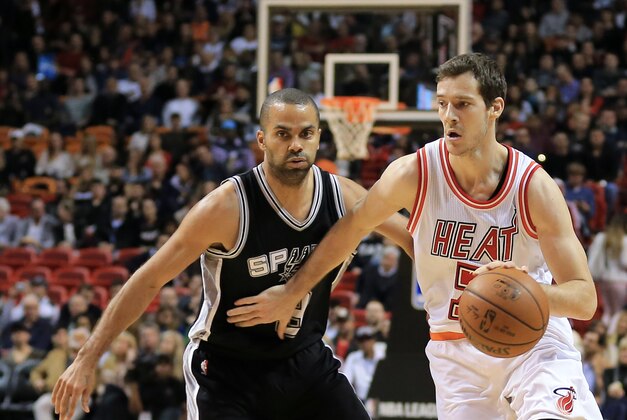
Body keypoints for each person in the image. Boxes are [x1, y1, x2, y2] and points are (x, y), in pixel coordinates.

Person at [228, 54, 603, 419]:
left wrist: (524, 293)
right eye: (442, 104)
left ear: (495, 108)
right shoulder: (414, 173)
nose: (449, 116)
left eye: (463, 104)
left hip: (534, 344)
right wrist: (293, 291)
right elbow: (351, 228)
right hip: (455, 354)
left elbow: (584, 299)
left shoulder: (532, 187)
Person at [51, 88, 411, 420]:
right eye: (283, 134)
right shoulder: (226, 208)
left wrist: (455, 288)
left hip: (304, 360)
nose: (296, 144)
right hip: (226, 370)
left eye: (306, 133)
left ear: (318, 137)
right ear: (262, 140)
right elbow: (148, 280)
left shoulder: (343, 196)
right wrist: (87, 357)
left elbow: (412, 238)